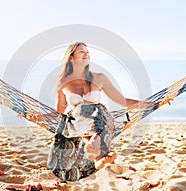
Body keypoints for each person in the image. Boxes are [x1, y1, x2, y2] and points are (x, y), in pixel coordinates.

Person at [55, 42, 139, 170]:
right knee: (79, 114)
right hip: (79, 122)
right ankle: (96, 146)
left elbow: (122, 101)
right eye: (82, 52)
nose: (86, 55)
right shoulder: (63, 83)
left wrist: (150, 103)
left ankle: (97, 155)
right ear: (71, 57)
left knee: (99, 111)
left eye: (88, 52)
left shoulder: (99, 78)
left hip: (100, 118)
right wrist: (33, 114)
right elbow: (59, 113)